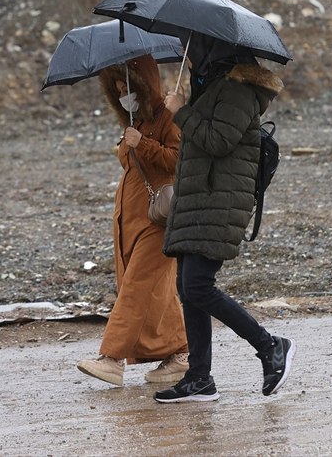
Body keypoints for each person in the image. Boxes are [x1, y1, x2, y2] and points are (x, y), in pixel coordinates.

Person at [153, 35, 295, 403]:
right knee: (189, 289)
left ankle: (271, 346)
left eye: (197, 48)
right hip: (199, 200)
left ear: (215, 51)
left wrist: (181, 112)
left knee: (198, 286)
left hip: (219, 202)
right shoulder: (211, 86)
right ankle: (200, 378)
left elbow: (218, 140)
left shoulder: (238, 90)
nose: (192, 55)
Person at [76, 55, 190, 387]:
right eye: (117, 88)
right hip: (130, 220)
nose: (124, 92)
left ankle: (111, 359)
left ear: (146, 84)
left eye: (128, 85)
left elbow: (178, 160)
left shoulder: (170, 117)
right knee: (155, 289)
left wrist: (145, 145)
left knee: (138, 286)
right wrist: (130, 144)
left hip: (158, 218)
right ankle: (180, 353)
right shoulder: (134, 121)